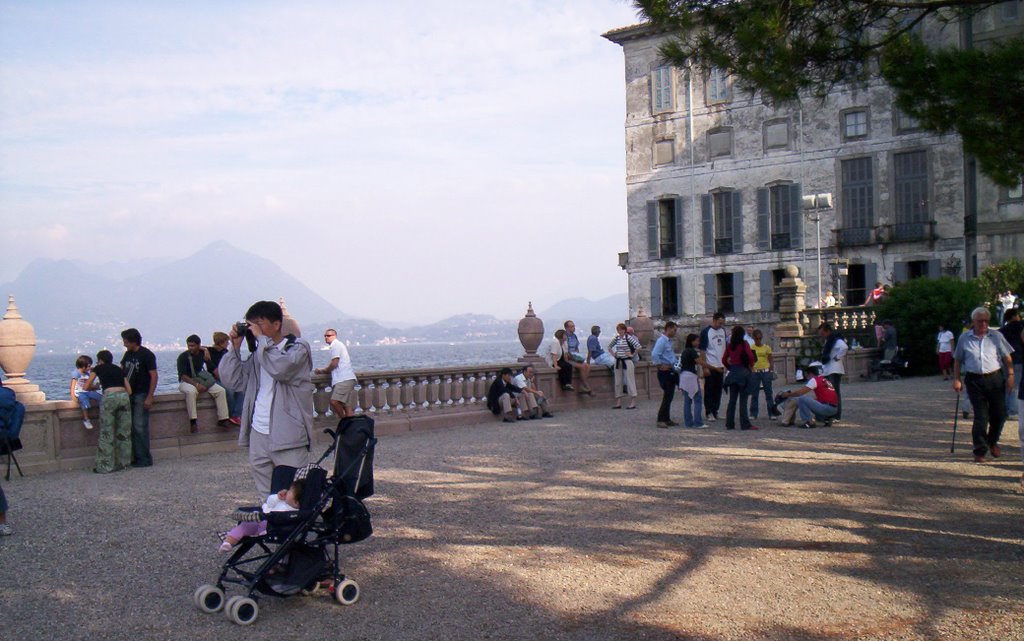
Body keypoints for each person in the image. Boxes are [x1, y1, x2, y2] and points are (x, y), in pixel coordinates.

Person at [219, 301, 316, 497]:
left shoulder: (298, 348)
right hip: (259, 432)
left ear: (276, 324)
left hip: (288, 433)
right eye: (251, 324)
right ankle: (272, 525)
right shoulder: (258, 355)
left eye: (259, 323)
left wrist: (261, 341)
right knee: (266, 494)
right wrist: (234, 348)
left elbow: (280, 369)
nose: (254, 329)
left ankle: (297, 527)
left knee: (294, 493)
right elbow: (232, 380)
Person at [953, 306, 1015, 463]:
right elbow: (958, 359)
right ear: (973, 321)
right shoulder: (964, 338)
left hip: (995, 378)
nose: (983, 324)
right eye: (980, 321)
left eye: (986, 321)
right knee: (981, 416)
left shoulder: (996, 336)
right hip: (974, 380)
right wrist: (957, 379)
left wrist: (1010, 375)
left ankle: (992, 441)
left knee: (1000, 414)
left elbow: (1007, 357)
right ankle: (979, 451)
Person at [218, 479, 305, 552]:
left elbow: (276, 517)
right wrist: (277, 497)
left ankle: (228, 542)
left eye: (290, 491)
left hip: (267, 525)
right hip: (266, 520)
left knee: (243, 527)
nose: (287, 491)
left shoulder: (292, 512)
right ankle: (232, 537)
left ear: (296, 502)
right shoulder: (284, 502)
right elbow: (269, 503)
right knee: (244, 525)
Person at [84, 350, 134, 474]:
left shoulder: (98, 368)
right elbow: (129, 390)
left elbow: (86, 386)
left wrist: (95, 387)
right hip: (123, 397)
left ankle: (105, 466)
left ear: (100, 360)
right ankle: (124, 463)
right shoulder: (118, 369)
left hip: (109, 397)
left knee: (107, 432)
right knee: (124, 432)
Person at [177, 334, 232, 433]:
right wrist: (196, 385)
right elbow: (183, 375)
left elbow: (210, 366)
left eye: (193, 346)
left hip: (201, 379)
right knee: (191, 392)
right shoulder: (183, 357)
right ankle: (193, 421)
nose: (190, 348)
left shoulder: (203, 354)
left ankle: (223, 419)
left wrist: (207, 356)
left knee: (220, 390)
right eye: (189, 345)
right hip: (187, 381)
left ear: (198, 345)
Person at [120, 328, 157, 468]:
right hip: (129, 393)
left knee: (140, 426)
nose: (124, 344)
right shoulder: (127, 354)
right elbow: (122, 370)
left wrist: (150, 396)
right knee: (132, 427)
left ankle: (144, 458)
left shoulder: (147, 355)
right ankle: (136, 456)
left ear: (133, 341)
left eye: (126, 341)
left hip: (141, 393)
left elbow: (153, 375)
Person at [779, 361, 839, 428]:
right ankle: (826, 419)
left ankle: (808, 422)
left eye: (806, 374)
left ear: (810, 373)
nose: (806, 376)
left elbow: (799, 393)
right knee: (811, 400)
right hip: (834, 408)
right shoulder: (823, 379)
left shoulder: (814, 380)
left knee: (802, 399)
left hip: (827, 408)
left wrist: (787, 395)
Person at [315, 328, 359, 417]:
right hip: (346, 379)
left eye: (329, 336)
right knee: (346, 406)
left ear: (335, 336)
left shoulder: (336, 345)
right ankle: (350, 425)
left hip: (343, 379)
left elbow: (334, 363)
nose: (326, 337)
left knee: (334, 401)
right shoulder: (337, 345)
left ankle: (344, 421)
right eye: (325, 336)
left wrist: (323, 370)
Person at [723, 325, 758, 431]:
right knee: (743, 400)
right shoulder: (744, 344)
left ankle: (729, 423)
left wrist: (730, 367)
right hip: (743, 372)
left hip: (733, 372)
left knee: (732, 400)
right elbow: (751, 357)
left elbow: (724, 359)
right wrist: (750, 366)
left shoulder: (730, 345)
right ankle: (744, 423)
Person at [699, 312, 728, 422]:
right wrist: (705, 367)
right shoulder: (706, 332)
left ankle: (715, 410)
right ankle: (709, 411)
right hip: (711, 365)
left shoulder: (723, 331)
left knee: (718, 390)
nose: (721, 325)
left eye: (723, 323)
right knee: (709, 389)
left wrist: (725, 363)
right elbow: (703, 350)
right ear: (714, 320)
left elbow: (724, 347)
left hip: (720, 365)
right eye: (720, 322)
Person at [208, 332, 242, 425]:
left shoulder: (225, 352)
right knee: (229, 392)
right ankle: (230, 415)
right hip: (215, 379)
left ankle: (237, 414)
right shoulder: (210, 352)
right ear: (221, 342)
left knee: (241, 390)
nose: (228, 344)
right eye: (226, 342)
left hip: (227, 378)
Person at [817, 323, 848, 422]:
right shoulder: (829, 341)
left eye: (822, 333)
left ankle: (836, 415)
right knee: (831, 392)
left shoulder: (835, 340)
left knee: (834, 393)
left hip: (834, 369)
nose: (821, 336)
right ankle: (830, 413)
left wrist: (837, 357)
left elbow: (844, 347)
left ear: (827, 331)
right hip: (830, 369)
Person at [651, 321, 679, 428]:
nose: (675, 332)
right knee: (667, 396)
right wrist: (659, 365)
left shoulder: (667, 341)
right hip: (665, 372)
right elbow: (655, 354)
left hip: (671, 370)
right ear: (669, 329)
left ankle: (666, 418)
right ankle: (661, 419)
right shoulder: (662, 341)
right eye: (674, 330)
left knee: (670, 395)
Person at [609, 323, 640, 410]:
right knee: (618, 382)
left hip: (627, 361)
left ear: (624, 330)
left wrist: (632, 354)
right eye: (619, 330)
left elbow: (638, 346)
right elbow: (609, 346)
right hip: (619, 361)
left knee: (630, 381)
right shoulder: (617, 338)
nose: (620, 331)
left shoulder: (628, 338)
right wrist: (614, 354)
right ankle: (618, 402)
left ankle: (633, 401)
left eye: (621, 329)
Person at [748, 329, 778, 420]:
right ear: (753, 338)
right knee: (754, 394)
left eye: (759, 338)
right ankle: (753, 413)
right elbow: (750, 360)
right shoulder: (751, 347)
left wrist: (771, 370)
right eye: (756, 338)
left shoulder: (767, 347)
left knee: (768, 393)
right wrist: (750, 369)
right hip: (755, 371)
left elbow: (770, 359)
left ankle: (772, 413)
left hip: (765, 371)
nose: (758, 340)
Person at [677, 333, 706, 429]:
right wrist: (712, 367)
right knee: (697, 399)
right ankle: (698, 422)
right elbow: (700, 362)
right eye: (697, 341)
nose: (698, 342)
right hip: (691, 376)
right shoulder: (692, 352)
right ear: (692, 341)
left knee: (687, 401)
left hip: (684, 375)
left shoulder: (685, 351)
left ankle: (688, 422)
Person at [998, 308, 1023, 417]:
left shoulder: (1002, 330)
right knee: (1016, 385)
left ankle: (1005, 408)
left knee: (1006, 384)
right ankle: (1013, 410)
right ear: (1014, 316)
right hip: (1019, 358)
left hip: (1004, 359)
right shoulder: (1021, 326)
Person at [71, 355, 103, 430]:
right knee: (84, 402)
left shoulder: (87, 374)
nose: (89, 368)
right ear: (83, 366)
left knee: (101, 398)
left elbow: (89, 385)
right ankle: (86, 419)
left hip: (87, 391)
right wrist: (73, 396)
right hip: (80, 392)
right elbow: (72, 385)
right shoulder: (76, 373)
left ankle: (101, 415)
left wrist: (95, 387)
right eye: (88, 366)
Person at [561, 321, 593, 394]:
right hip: (568, 359)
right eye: (572, 326)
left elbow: (576, 348)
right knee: (582, 367)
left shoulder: (574, 336)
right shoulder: (564, 337)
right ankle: (585, 385)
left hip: (575, 357)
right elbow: (565, 350)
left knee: (587, 366)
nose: (574, 328)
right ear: (567, 328)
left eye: (574, 326)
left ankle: (582, 385)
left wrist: (578, 357)